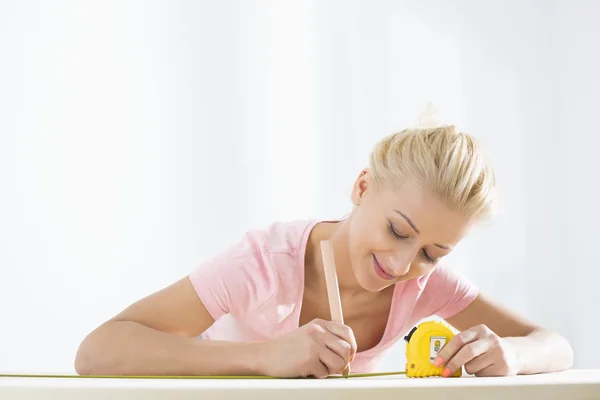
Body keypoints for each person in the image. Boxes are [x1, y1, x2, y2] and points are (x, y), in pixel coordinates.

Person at [74, 122, 574, 379]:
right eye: (398, 231)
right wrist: (263, 357)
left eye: (432, 252)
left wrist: (512, 353)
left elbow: (556, 345)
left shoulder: (426, 285)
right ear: (362, 187)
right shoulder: (263, 264)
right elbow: (97, 351)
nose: (402, 267)